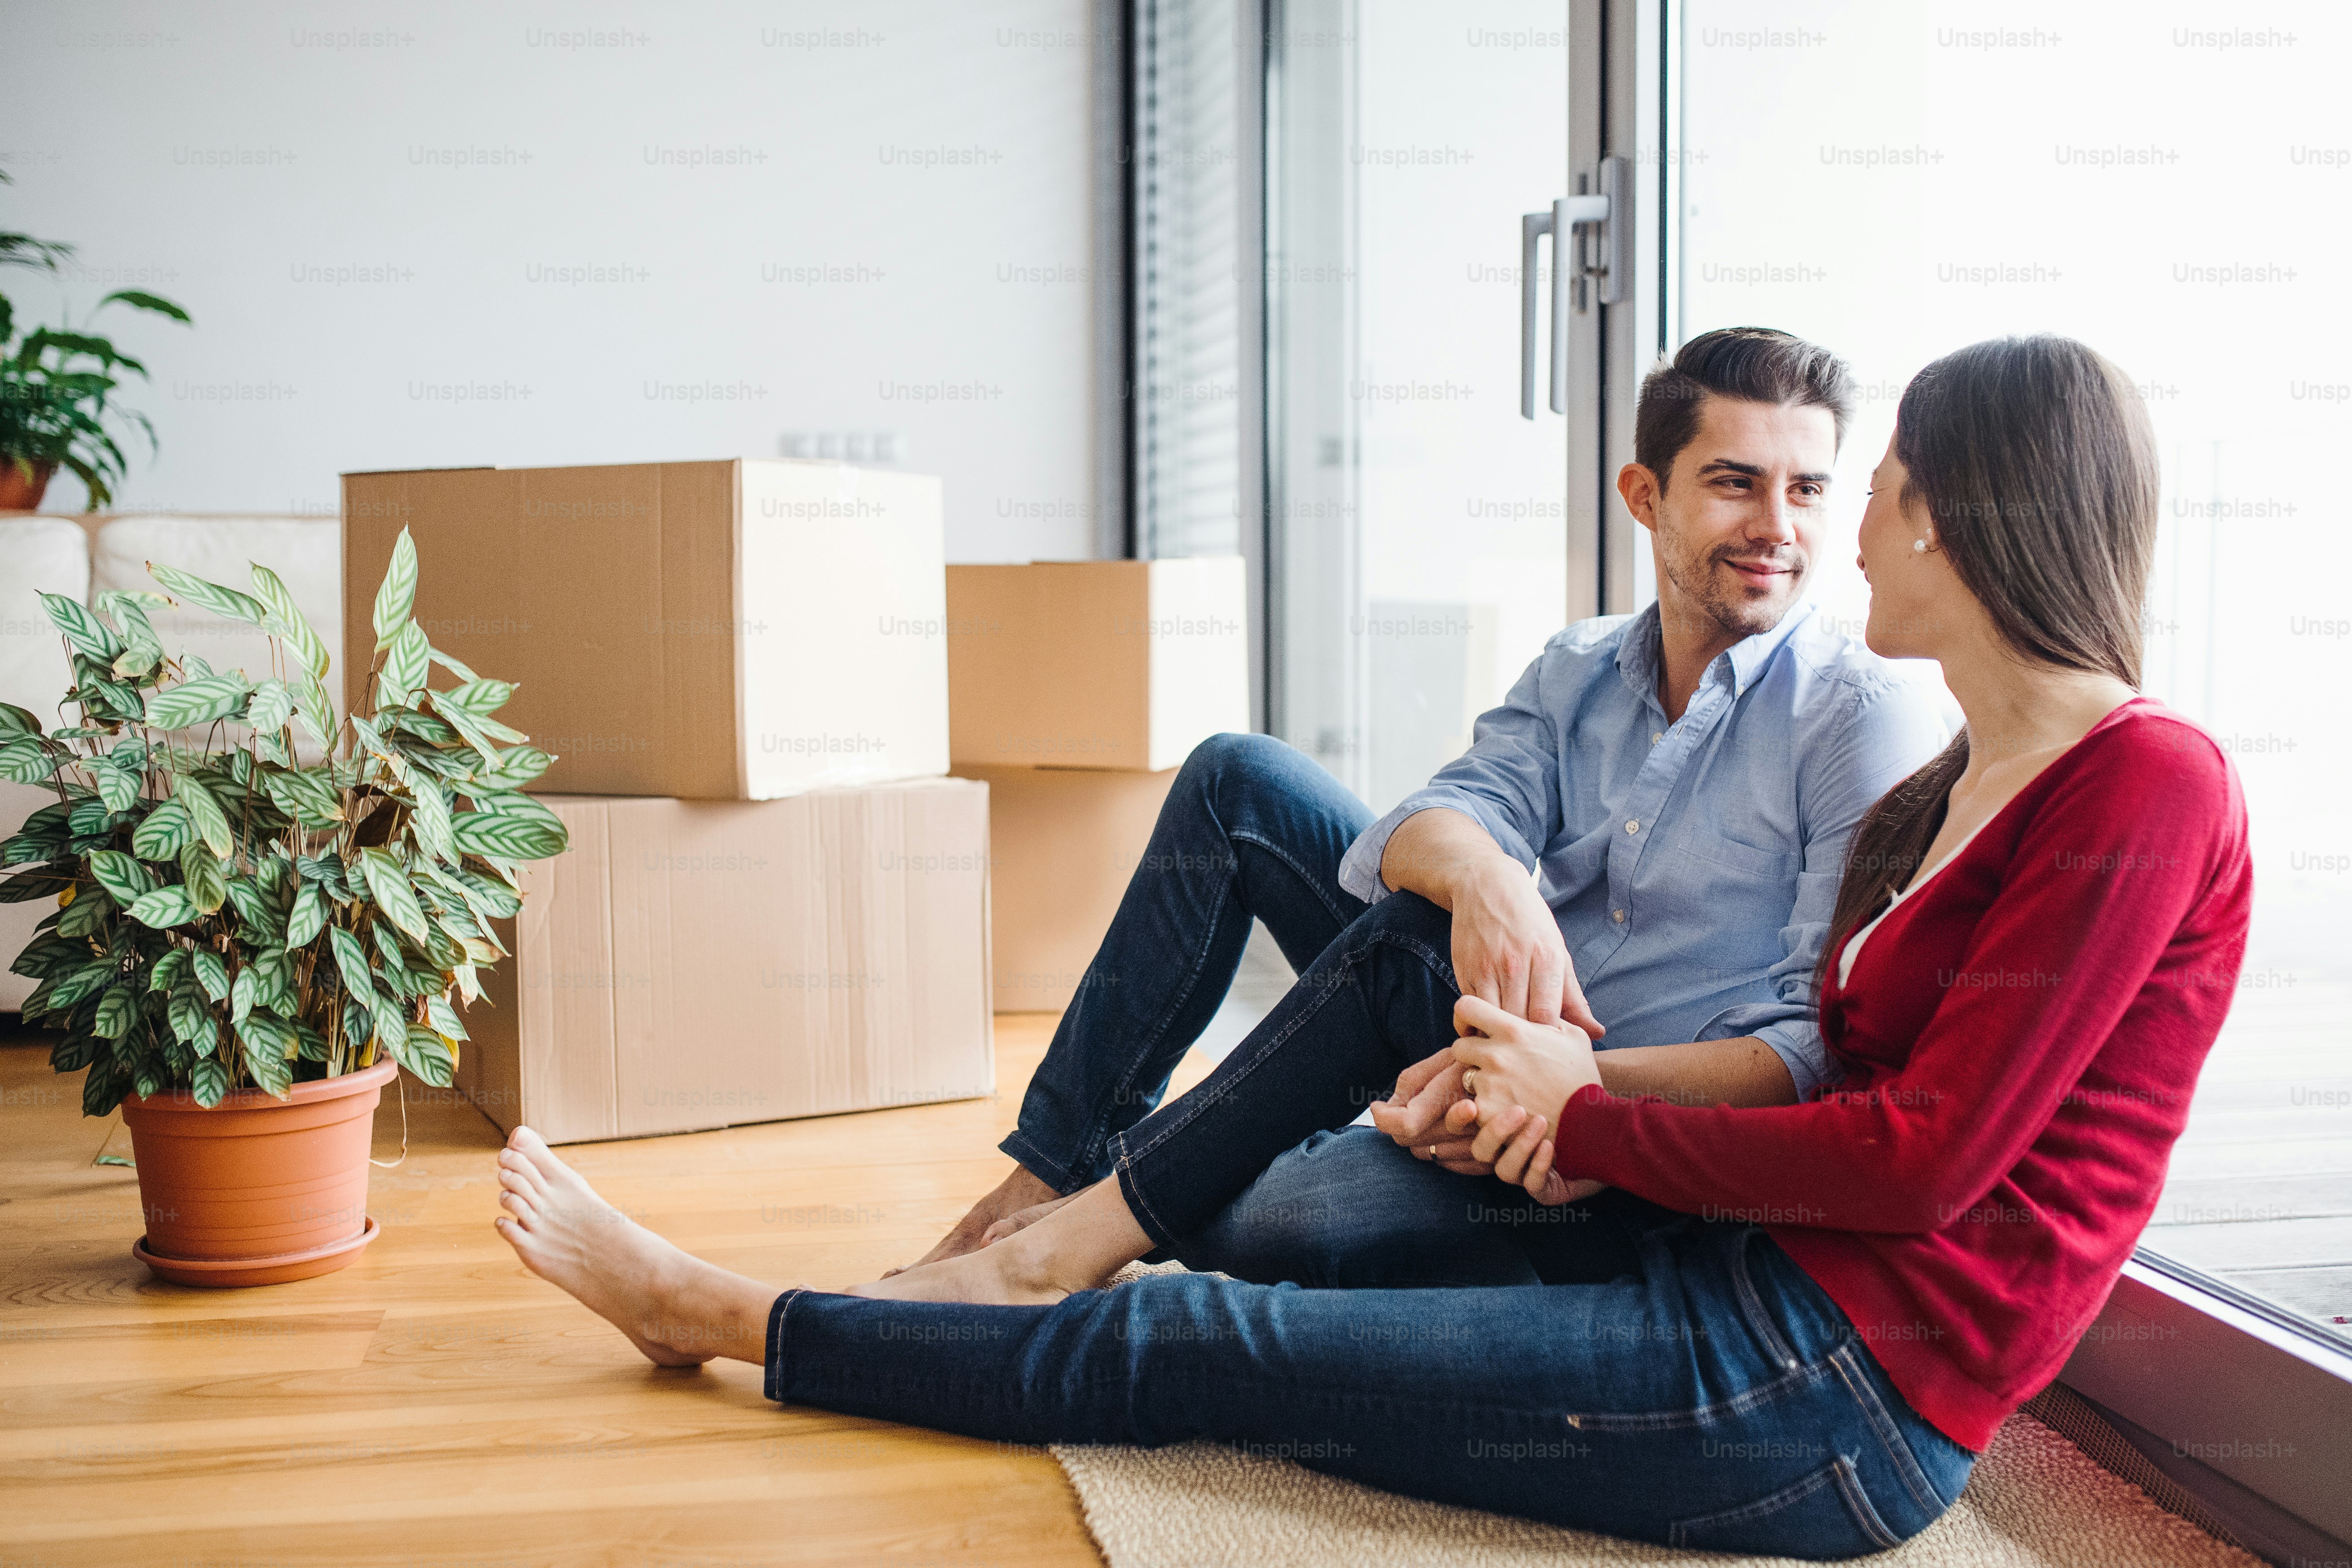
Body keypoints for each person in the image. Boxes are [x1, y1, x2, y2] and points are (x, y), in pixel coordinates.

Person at [491, 333, 2250, 1559]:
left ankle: (725, 1315)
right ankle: (1047, 1209)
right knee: (1298, 906)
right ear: (1648, 496)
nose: (1829, 522)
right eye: (1754, 480)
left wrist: (1570, 1107)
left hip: (1823, 1394)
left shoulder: (2131, 785)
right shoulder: (1958, 780)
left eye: (1862, 485)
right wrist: (1501, 990)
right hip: (1691, 1232)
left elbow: (1919, 1153)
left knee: (1200, 1336)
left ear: (1952, 513)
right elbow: (1445, 841)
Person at [899, 324, 1946, 1289]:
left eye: (1808, 490)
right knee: (1243, 784)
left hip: (1627, 1152)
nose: (1778, 528)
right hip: (1488, 1040)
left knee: (1258, 1216)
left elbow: (1811, 1050)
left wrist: (1548, 1083)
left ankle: (1152, 1190)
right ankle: (1048, 1185)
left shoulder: (1861, 717)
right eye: (1735, 483)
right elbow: (1433, 819)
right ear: (1645, 495)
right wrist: (1489, 878)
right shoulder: (1579, 665)